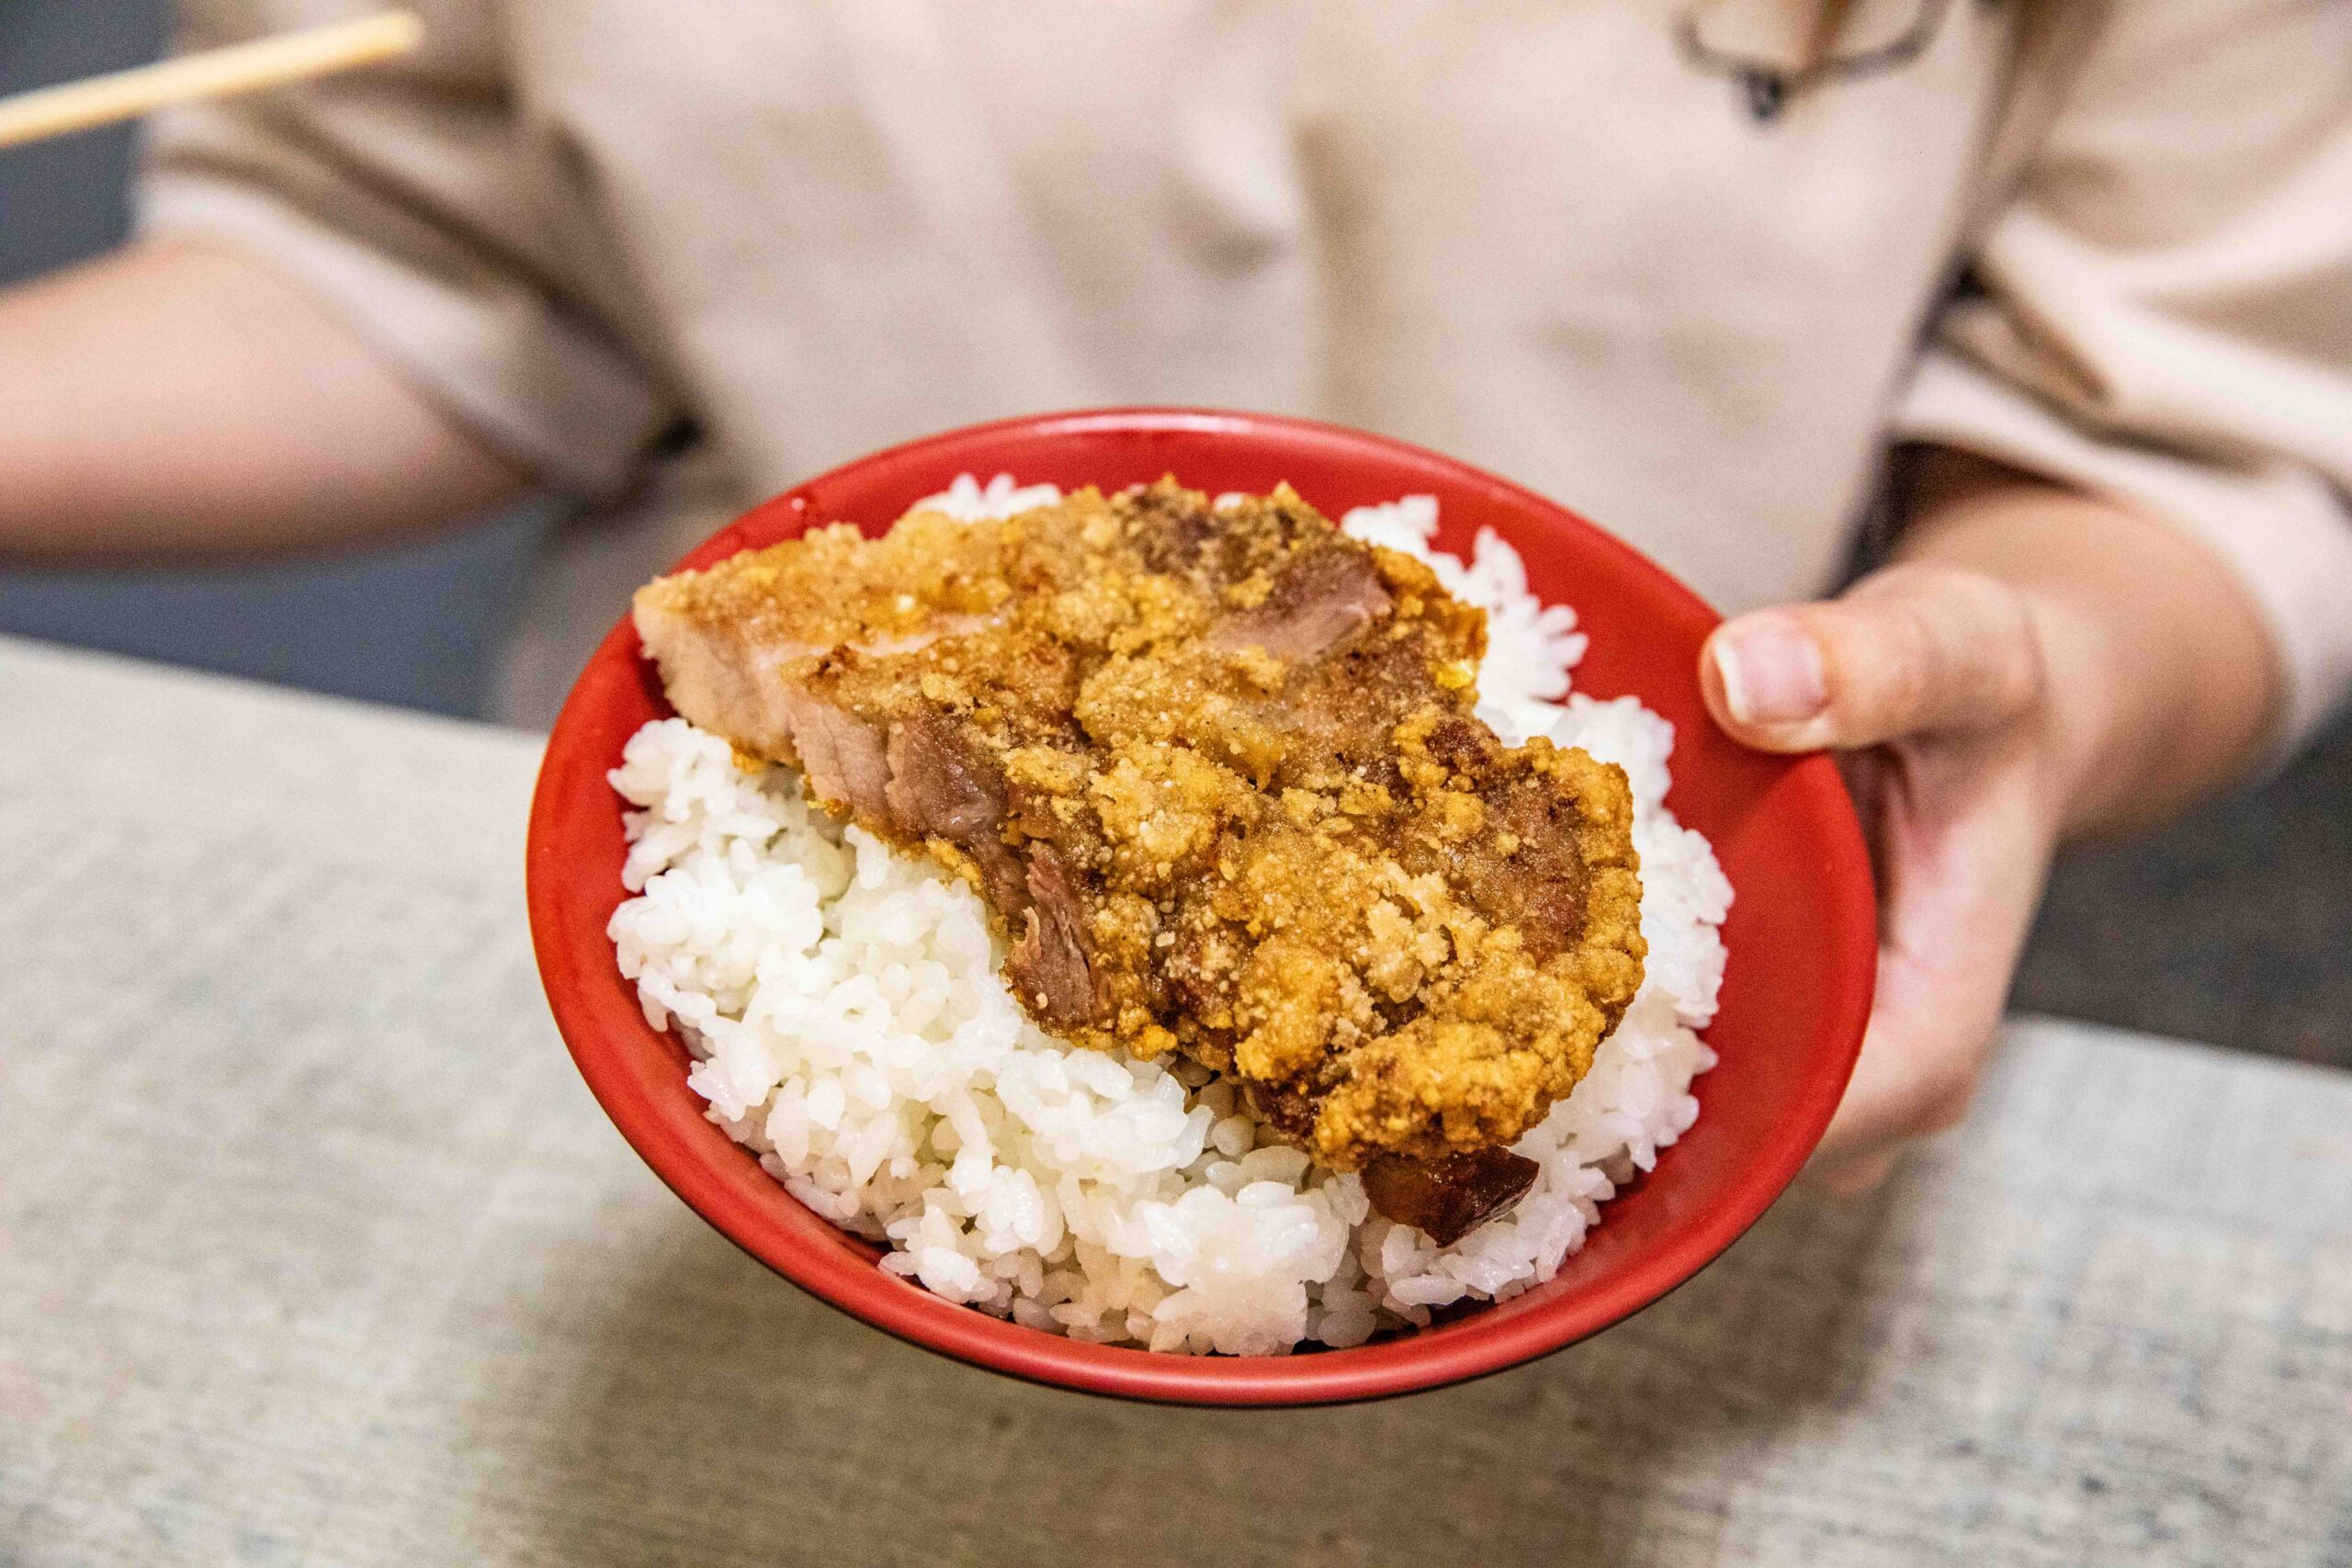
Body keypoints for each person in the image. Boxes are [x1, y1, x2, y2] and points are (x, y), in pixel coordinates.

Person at [4, 0, 2347, 1191]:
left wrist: (2032, 677)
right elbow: (401, 254)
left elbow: (2183, 449)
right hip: (728, 894)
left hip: (1664, 823)